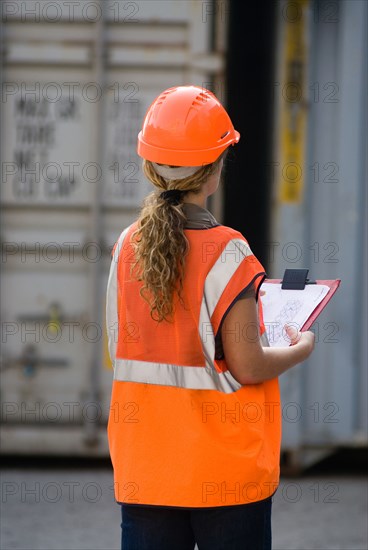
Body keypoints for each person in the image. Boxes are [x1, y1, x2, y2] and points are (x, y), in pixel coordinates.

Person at [106, 85, 315, 550]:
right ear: (215, 169)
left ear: (149, 164)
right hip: (223, 472)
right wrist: (299, 347)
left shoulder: (125, 247)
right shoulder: (228, 250)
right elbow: (248, 364)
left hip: (147, 468)